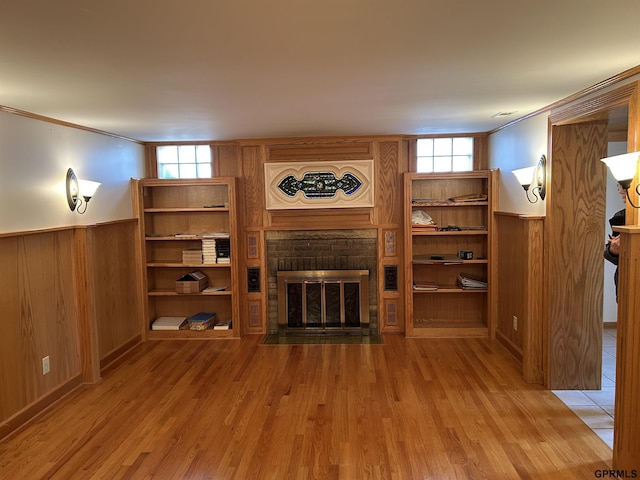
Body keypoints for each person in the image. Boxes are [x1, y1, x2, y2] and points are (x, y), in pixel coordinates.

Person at [603, 182, 626, 300]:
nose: (620, 191)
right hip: (625, 284)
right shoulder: (620, 217)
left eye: (623, 186)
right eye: (619, 186)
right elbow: (609, 252)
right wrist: (613, 250)